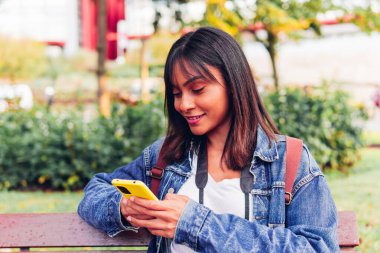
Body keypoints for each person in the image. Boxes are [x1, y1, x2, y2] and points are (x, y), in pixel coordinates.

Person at [78, 27, 339, 252]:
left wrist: (196, 224)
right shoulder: (167, 155)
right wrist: (124, 207)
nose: (184, 104)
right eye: (177, 93)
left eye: (197, 89)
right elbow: (95, 191)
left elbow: (318, 248)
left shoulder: (288, 161)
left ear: (234, 83)